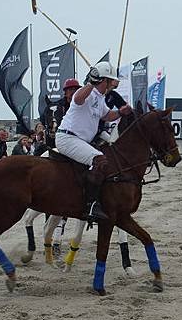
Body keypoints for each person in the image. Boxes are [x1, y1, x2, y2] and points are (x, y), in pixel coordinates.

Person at [55, 61, 132, 223]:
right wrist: (91, 82)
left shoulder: (100, 98)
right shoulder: (87, 92)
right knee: (100, 160)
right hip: (68, 138)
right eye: (110, 82)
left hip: (81, 141)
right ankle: (90, 205)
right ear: (103, 80)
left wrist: (120, 112)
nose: (112, 85)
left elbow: (107, 116)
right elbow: (78, 99)